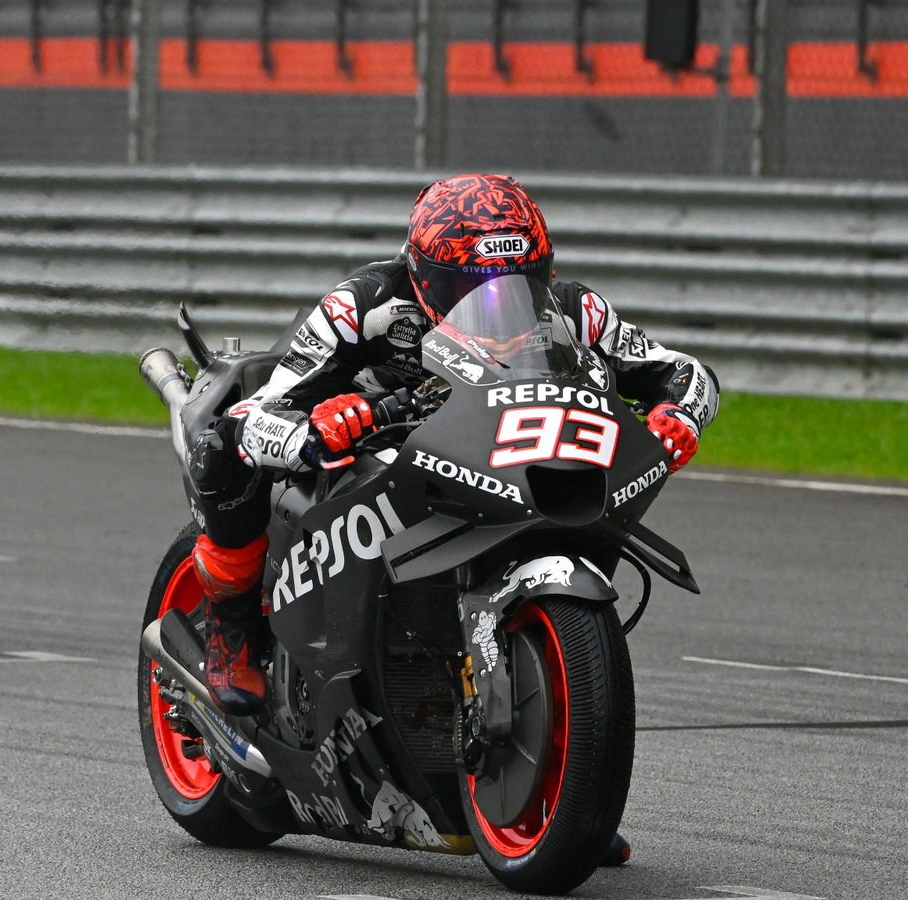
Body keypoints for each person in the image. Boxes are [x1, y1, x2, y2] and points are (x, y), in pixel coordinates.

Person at [186, 173, 721, 713]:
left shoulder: (575, 311)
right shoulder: (362, 304)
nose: (496, 303)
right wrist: (312, 430)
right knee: (218, 448)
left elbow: (682, 370)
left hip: (496, 458)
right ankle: (229, 624)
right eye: (468, 288)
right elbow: (256, 414)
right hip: (372, 452)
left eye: (518, 281)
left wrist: (680, 416)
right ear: (421, 273)